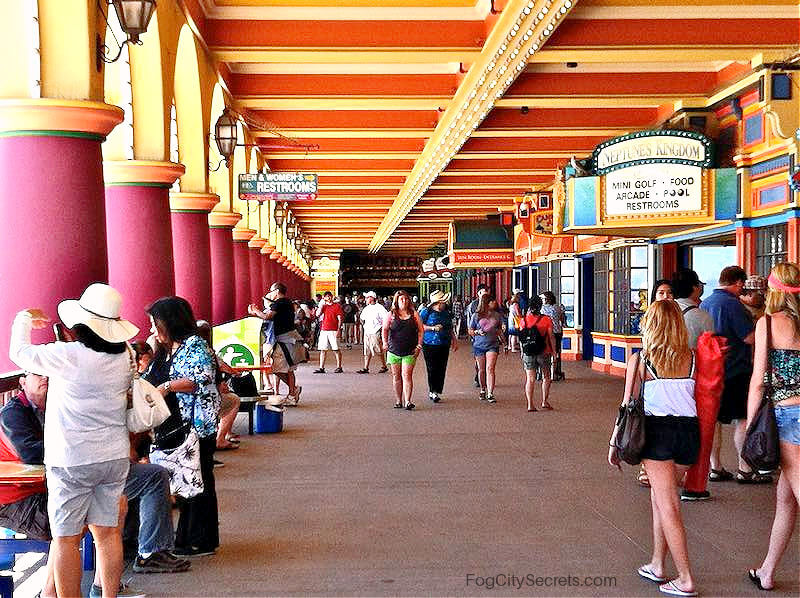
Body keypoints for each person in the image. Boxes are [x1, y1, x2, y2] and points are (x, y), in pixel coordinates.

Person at [8, 283, 139, 598]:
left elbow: (19, 353)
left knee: (66, 539)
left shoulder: (68, 355)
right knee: (107, 535)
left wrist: (22, 320)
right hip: (114, 456)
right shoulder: (127, 355)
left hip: (71, 460)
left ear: (81, 324)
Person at [608, 300, 699, 598]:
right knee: (660, 499)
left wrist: (614, 442)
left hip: (657, 433)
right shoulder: (693, 358)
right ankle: (658, 563)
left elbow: (627, 407)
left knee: (668, 504)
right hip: (689, 434)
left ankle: (685, 577)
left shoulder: (642, 360)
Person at [146, 296, 221, 557]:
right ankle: (186, 537)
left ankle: (200, 539)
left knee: (198, 482)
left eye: (156, 324)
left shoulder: (195, 344)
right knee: (185, 482)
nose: (152, 330)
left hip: (196, 425)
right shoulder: (166, 350)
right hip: (176, 427)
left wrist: (166, 387)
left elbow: (202, 377)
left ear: (170, 322)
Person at [746, 263, 800, 592]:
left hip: (788, 415)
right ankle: (767, 571)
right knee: (786, 500)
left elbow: (758, 381)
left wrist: (752, 425)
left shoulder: (768, 323)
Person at [701, 266, 768, 484]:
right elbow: (749, 338)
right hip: (736, 370)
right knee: (743, 418)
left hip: (711, 370)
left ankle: (715, 467)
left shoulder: (706, 303)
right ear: (738, 282)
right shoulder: (733, 304)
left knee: (715, 420)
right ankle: (744, 467)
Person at [671, 269, 717, 502]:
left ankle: (658, 475)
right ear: (694, 288)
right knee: (699, 430)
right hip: (694, 381)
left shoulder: (661, 313)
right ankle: (694, 484)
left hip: (662, 380)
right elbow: (712, 352)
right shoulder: (701, 317)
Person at [249, 282, 302, 404]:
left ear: (277, 291)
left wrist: (256, 310)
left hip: (285, 339)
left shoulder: (280, 303)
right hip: (287, 338)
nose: (269, 293)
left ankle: (292, 392)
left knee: (278, 368)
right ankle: (292, 392)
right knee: (287, 368)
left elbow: (267, 316)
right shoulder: (287, 302)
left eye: (271, 291)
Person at [195, 321, 242, 448]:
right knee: (234, 400)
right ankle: (220, 438)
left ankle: (224, 435)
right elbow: (221, 366)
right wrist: (235, 373)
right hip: (204, 399)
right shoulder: (207, 352)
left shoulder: (187, 350)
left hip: (192, 398)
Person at [382, 290, 424, 410]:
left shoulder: (414, 314)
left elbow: (421, 330)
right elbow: (385, 329)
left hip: (410, 351)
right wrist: (385, 342)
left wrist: (419, 346)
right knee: (396, 376)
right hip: (393, 350)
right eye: (401, 299)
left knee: (407, 375)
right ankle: (398, 400)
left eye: (406, 299)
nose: (404, 301)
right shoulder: (391, 315)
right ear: (396, 301)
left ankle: (408, 401)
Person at [419, 290, 458, 403]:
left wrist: (454, 340)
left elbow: (450, 327)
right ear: (438, 302)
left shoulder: (446, 312)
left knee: (441, 367)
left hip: (444, 342)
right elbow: (420, 325)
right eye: (443, 302)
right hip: (429, 343)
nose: (445, 303)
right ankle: (432, 390)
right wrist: (432, 328)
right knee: (431, 367)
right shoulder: (426, 312)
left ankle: (437, 389)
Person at [520, 295, 556, 412]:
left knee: (530, 379)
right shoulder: (546, 320)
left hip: (528, 352)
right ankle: (544, 401)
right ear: (541, 306)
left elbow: (522, 338)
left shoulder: (524, 320)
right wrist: (554, 352)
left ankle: (530, 404)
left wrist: (522, 352)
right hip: (544, 351)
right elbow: (551, 337)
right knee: (546, 376)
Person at [469, 295, 504, 403]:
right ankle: (483, 389)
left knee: (490, 368)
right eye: (493, 301)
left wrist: (504, 341)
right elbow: (470, 330)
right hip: (479, 345)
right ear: (487, 303)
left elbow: (499, 330)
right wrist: (477, 332)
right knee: (482, 370)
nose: (495, 303)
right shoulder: (476, 316)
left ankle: (490, 393)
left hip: (493, 344)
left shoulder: (497, 315)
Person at [356, 291, 388, 374]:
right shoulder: (366, 308)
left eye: (367, 297)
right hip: (367, 331)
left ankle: (384, 366)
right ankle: (366, 367)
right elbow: (362, 318)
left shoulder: (379, 308)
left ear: (372, 298)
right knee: (366, 350)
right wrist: (365, 326)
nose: (365, 299)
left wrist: (381, 329)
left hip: (375, 331)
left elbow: (386, 318)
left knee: (377, 349)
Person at [314, 291, 344, 373]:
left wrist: (339, 330)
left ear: (332, 297)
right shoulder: (324, 306)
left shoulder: (337, 306)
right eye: (327, 296)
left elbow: (340, 319)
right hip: (324, 329)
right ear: (324, 298)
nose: (329, 298)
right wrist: (321, 305)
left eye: (329, 296)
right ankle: (321, 367)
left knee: (336, 349)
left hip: (333, 330)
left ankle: (339, 366)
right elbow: (317, 314)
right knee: (323, 349)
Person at [540, 291, 567, 381]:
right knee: (556, 352)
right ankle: (555, 373)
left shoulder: (541, 309)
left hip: (545, 333)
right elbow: (562, 320)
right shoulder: (557, 308)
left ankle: (544, 372)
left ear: (547, 299)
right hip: (557, 332)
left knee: (544, 352)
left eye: (543, 298)